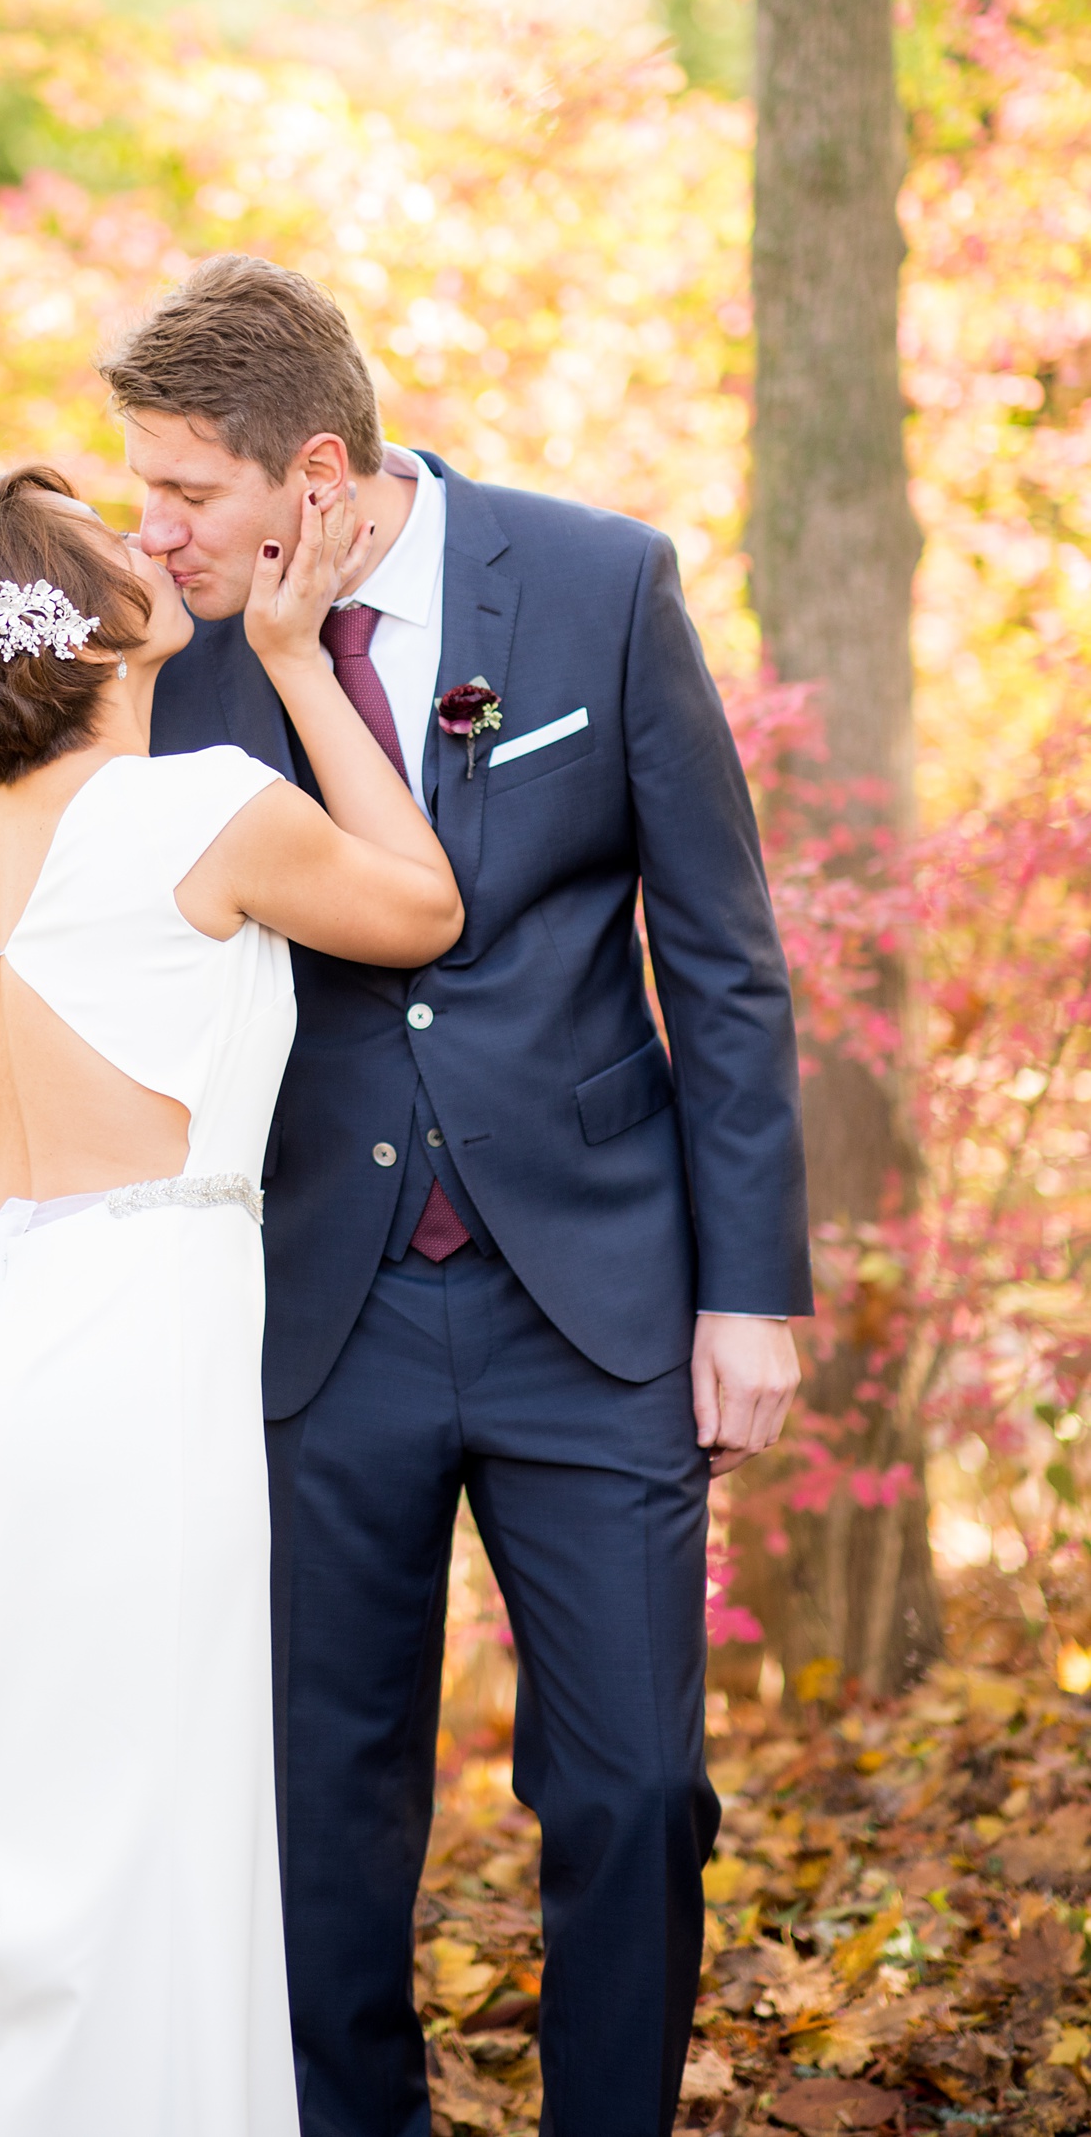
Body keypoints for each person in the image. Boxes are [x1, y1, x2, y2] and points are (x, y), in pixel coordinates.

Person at [102, 253, 812, 2137]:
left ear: (315, 477)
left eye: (188, 492)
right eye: (141, 488)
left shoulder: (599, 583)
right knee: (318, 1810)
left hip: (596, 1297)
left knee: (638, 1791)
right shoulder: (161, 671)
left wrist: (754, 1294)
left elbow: (723, 958)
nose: (149, 529)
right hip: (307, 1306)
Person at [0, 463, 463, 2137]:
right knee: (166, 1829)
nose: (152, 544)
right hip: (143, 1368)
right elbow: (420, 907)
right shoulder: (195, 805)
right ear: (88, 628)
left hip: (13, 1360)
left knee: (35, 1846)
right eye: (114, 545)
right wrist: (290, 660)